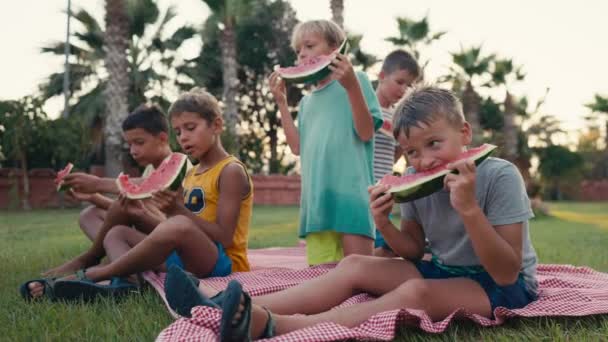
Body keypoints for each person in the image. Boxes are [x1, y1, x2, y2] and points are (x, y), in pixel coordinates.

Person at [165, 86, 538, 341]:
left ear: (465, 132)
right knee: (355, 264)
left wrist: (469, 210)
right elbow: (411, 249)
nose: (424, 161)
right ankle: (214, 306)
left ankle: (276, 325)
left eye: (434, 144)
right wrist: (382, 224)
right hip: (445, 269)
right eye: (412, 152)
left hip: (501, 286)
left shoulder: (498, 175)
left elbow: (506, 271)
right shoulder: (413, 180)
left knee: (416, 291)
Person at [21, 89, 253, 301]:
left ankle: (94, 273)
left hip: (221, 263)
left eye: (190, 128)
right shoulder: (192, 173)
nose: (182, 138)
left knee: (179, 224)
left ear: (217, 125)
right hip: (186, 254)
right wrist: (142, 213)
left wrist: (176, 211)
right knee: (116, 233)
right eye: (178, 131)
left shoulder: (230, 171)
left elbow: (223, 237)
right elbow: (157, 204)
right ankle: (127, 284)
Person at [269, 19, 383, 265]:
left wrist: (351, 86)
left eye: (309, 46)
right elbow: (297, 147)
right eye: (298, 51)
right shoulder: (306, 103)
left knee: (361, 275)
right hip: (316, 202)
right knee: (321, 279)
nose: (302, 55)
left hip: (351, 194)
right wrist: (281, 103)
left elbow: (365, 133)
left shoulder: (358, 80)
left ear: (335, 49)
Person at [42, 104, 175, 277]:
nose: (133, 151)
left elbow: (149, 193)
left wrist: (98, 183)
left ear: (162, 138)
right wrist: (93, 197)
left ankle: (91, 258)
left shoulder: (179, 169)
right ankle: (118, 260)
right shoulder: (150, 170)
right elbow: (128, 210)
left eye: (139, 143)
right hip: (146, 237)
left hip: (170, 245)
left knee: (122, 207)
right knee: (89, 215)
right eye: (130, 144)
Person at [372, 49, 420, 257]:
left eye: (409, 85)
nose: (404, 89)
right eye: (399, 82)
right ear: (382, 76)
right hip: (359, 188)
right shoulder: (364, 106)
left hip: (382, 189)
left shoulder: (397, 117)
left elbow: (398, 153)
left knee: (390, 245)